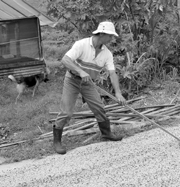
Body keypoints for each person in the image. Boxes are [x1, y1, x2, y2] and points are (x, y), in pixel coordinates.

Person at [53, 21, 127, 154]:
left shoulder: (107, 53)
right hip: (72, 80)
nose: (112, 39)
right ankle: (57, 141)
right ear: (102, 33)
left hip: (88, 83)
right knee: (67, 112)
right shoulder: (82, 44)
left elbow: (112, 73)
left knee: (99, 108)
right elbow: (65, 60)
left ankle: (106, 134)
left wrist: (118, 93)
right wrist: (80, 71)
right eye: (110, 36)